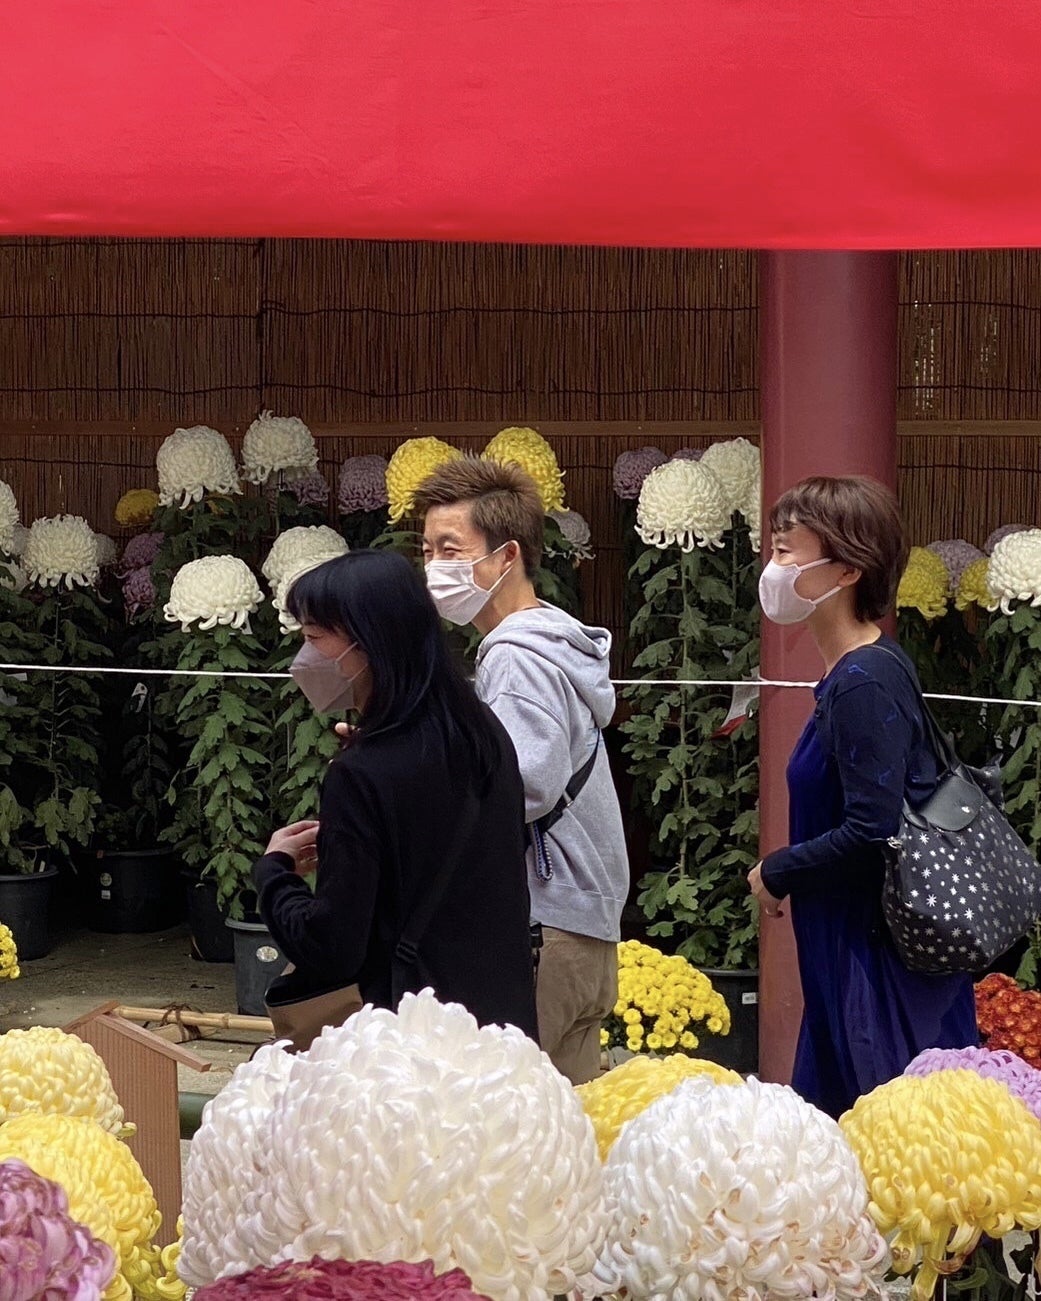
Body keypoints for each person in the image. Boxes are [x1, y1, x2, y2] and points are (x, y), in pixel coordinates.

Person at [747, 475, 977, 1118]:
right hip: (849, 951)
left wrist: (778, 869)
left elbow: (872, 830)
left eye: (787, 551)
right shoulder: (859, 669)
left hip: (874, 968)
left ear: (847, 570)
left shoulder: (863, 682)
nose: (774, 568)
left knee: (882, 1137)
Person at [252, 549, 539, 1040]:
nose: (305, 656)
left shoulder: (361, 774)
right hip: (500, 1030)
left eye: (314, 637)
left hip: (410, 1044)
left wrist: (274, 873)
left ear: (366, 642)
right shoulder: (483, 733)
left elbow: (331, 945)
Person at [413, 457, 629, 1084]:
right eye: (426, 551)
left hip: (544, 926)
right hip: (582, 928)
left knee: (509, 1115)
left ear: (507, 555)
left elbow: (523, 785)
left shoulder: (516, 656)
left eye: (450, 549)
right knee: (569, 1119)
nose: (434, 567)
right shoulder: (554, 643)